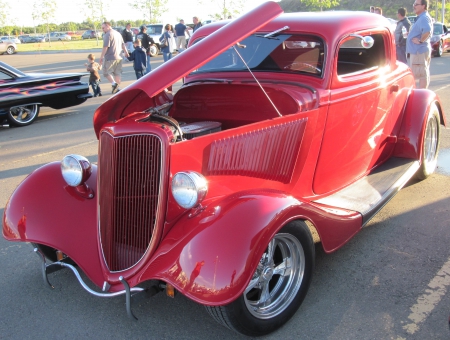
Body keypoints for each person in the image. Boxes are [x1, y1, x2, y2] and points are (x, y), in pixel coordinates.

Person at [406, 0, 432, 88]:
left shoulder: (423, 17)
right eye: (414, 4)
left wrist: (420, 40)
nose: (414, 6)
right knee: (423, 73)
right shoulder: (422, 17)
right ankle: (423, 92)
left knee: (421, 74)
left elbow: (427, 31)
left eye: (416, 4)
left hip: (419, 51)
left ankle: (422, 94)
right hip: (419, 51)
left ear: (423, 6)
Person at [99, 21, 129, 94]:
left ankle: (114, 84)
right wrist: (126, 52)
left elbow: (105, 47)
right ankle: (118, 88)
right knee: (117, 73)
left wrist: (101, 57)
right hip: (119, 57)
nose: (103, 29)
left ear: (108, 26)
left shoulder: (107, 35)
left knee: (106, 72)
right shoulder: (118, 33)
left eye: (103, 28)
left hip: (110, 56)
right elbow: (123, 44)